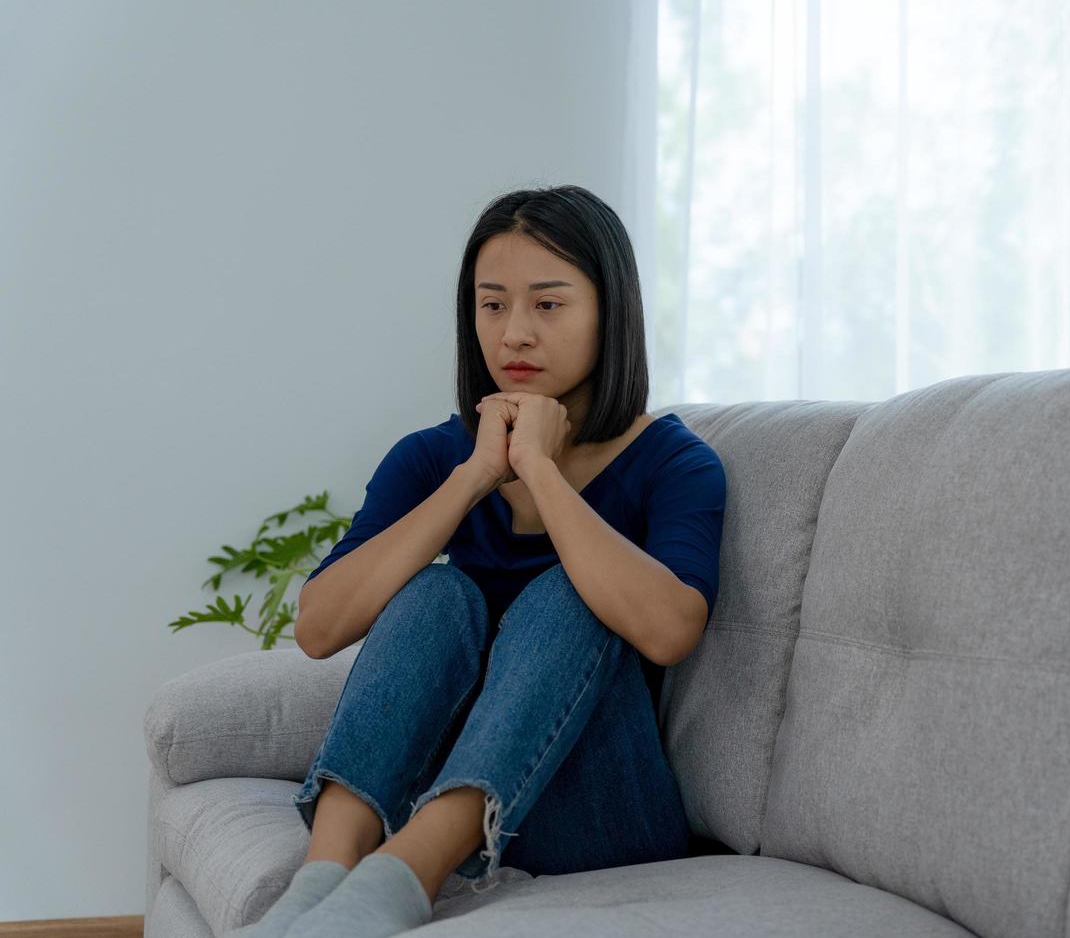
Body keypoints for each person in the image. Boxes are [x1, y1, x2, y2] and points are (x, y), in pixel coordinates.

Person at [233, 185, 727, 938]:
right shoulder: (433, 456)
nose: (515, 334)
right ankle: (321, 885)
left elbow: (668, 631)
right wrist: (471, 478)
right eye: (492, 305)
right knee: (436, 593)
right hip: (442, 791)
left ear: (610, 313)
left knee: (569, 593)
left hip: (601, 811)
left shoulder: (677, 463)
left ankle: (402, 879)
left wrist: (542, 471)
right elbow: (320, 627)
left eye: (549, 306)